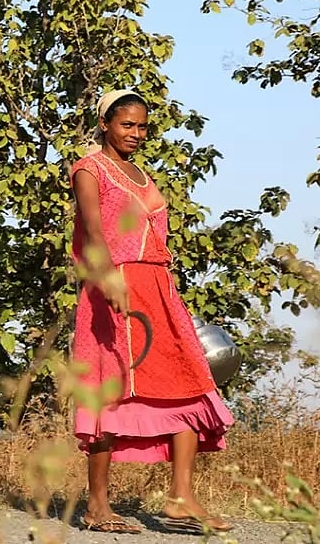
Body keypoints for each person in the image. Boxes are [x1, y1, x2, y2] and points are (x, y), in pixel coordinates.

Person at [69, 89, 235, 535]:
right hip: (113, 287)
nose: (137, 134)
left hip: (157, 289)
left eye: (142, 126)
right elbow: (94, 228)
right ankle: (97, 507)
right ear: (105, 124)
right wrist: (109, 278)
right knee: (109, 391)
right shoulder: (90, 169)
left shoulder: (142, 174)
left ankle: (181, 496)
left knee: (186, 381)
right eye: (127, 125)